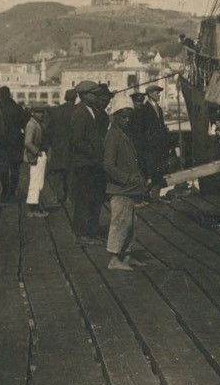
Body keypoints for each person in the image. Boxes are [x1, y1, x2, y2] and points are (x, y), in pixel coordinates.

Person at [102, 107, 148, 271]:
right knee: (120, 222)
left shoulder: (122, 133)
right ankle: (114, 259)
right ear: (114, 116)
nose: (127, 120)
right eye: (123, 117)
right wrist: (126, 178)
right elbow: (108, 165)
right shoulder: (113, 136)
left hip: (128, 188)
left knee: (130, 223)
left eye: (129, 117)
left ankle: (127, 255)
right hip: (120, 188)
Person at [69, 80, 112, 244]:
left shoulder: (91, 110)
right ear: (85, 95)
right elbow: (77, 140)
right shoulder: (80, 112)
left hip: (93, 163)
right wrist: (95, 154)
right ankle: (80, 233)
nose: (97, 96)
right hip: (85, 163)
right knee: (84, 199)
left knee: (94, 197)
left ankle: (91, 230)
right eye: (94, 94)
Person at [44, 89, 78, 210]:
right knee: (70, 171)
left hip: (58, 145)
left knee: (58, 171)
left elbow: (49, 129)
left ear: (65, 98)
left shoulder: (56, 111)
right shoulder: (77, 111)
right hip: (71, 145)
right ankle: (69, 197)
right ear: (75, 98)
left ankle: (54, 196)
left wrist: (49, 145)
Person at [0, 86, 29, 204]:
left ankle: (4, 192)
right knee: (15, 168)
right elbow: (24, 122)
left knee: (3, 168)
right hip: (16, 142)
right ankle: (12, 192)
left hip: (2, 143)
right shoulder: (17, 108)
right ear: (9, 94)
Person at [140, 83, 172, 189]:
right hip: (150, 145)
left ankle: (155, 193)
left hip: (159, 144)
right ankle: (148, 193)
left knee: (158, 172)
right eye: (157, 93)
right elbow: (143, 128)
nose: (159, 95)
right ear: (150, 94)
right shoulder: (145, 109)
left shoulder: (159, 109)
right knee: (150, 171)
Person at [23, 106, 49, 218]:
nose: (41, 114)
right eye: (38, 112)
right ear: (32, 112)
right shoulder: (31, 125)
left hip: (40, 155)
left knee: (39, 183)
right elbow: (27, 142)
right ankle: (32, 208)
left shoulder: (38, 123)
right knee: (35, 182)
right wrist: (37, 152)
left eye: (42, 112)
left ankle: (35, 205)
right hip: (36, 156)